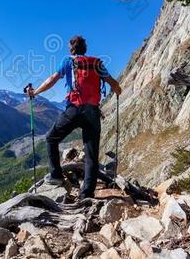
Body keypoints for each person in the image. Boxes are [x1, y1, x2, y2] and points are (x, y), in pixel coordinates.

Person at [27, 35, 121, 199]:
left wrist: (35, 92)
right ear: (85, 49)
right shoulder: (97, 63)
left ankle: (56, 175)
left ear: (71, 49)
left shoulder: (67, 61)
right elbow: (113, 83)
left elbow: (52, 80)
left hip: (74, 108)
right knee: (91, 153)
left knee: (51, 138)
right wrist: (118, 90)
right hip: (92, 111)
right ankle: (87, 195)